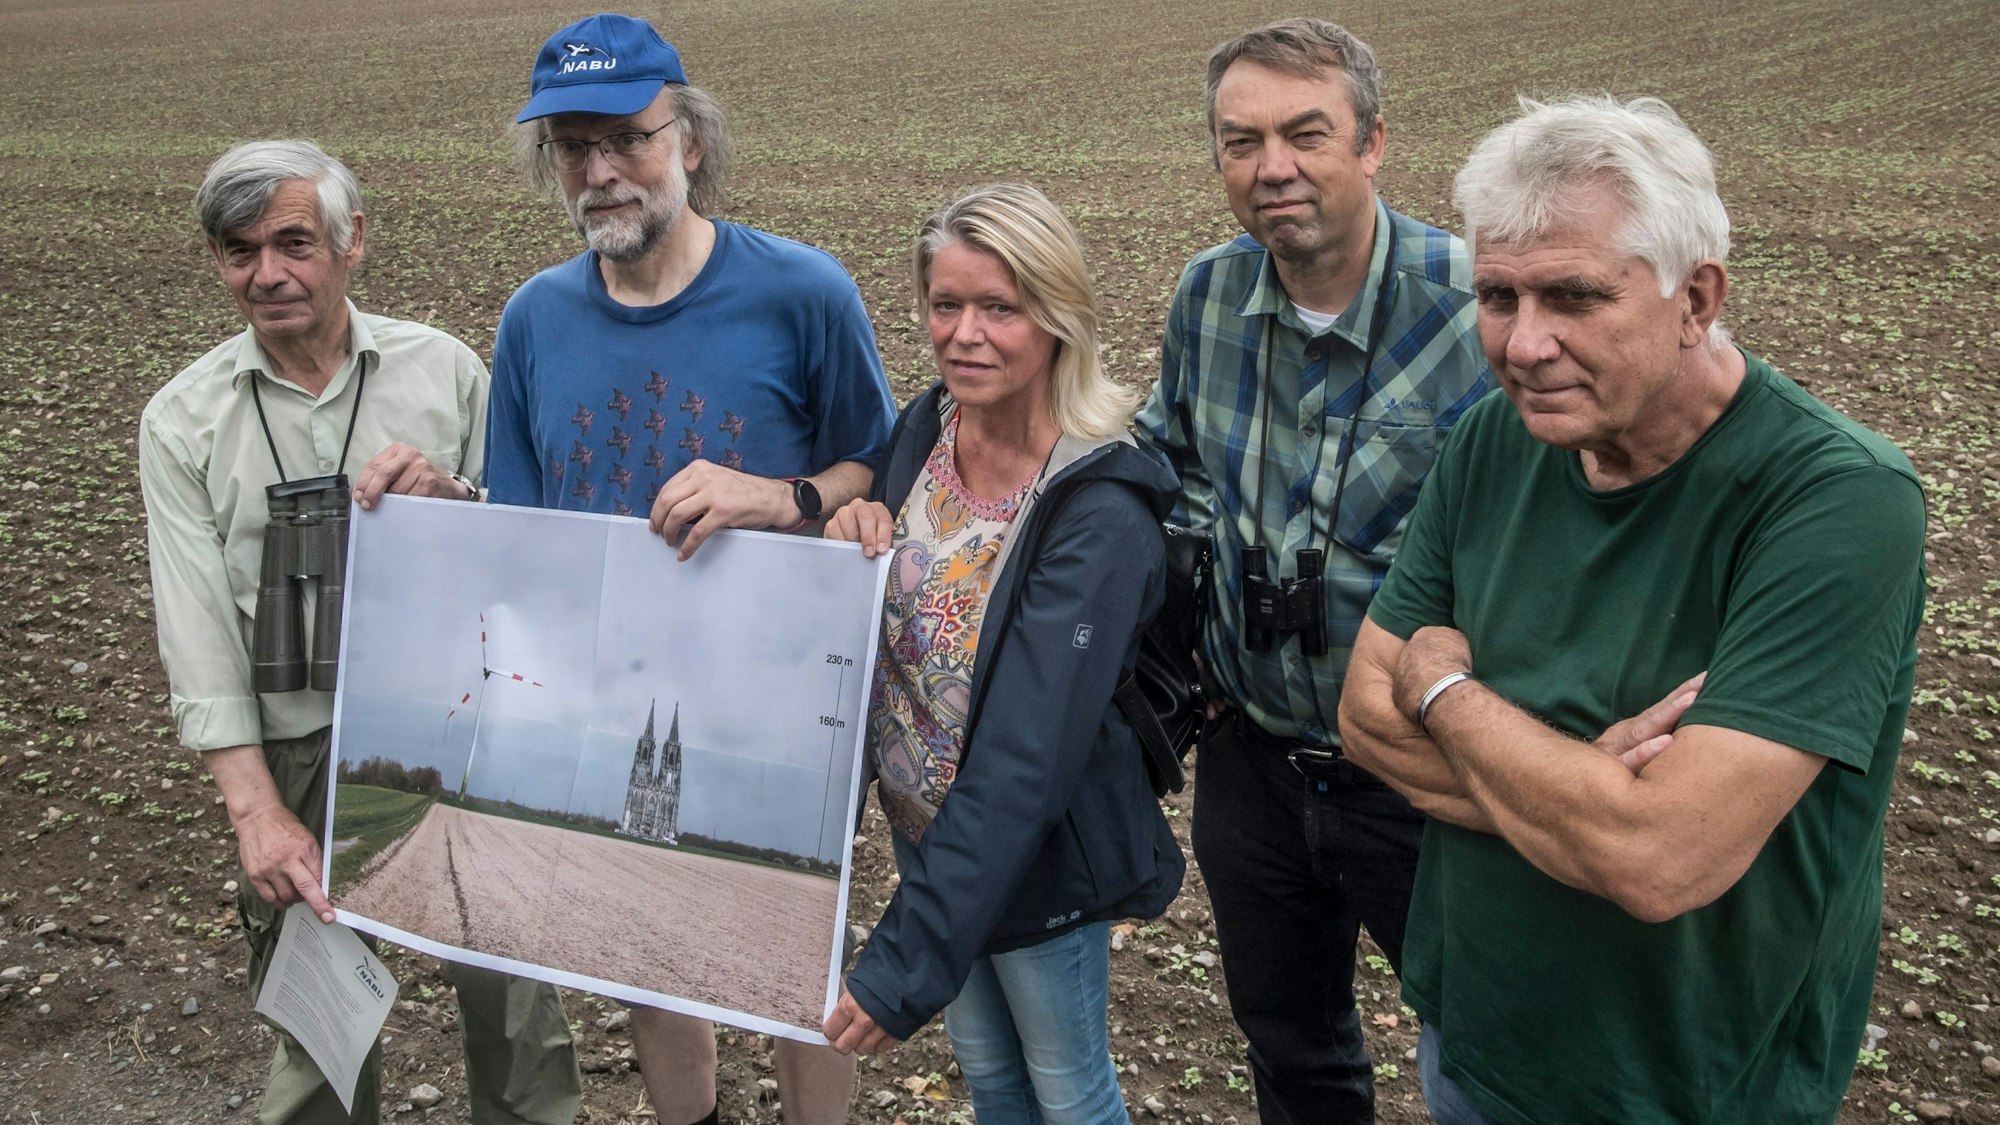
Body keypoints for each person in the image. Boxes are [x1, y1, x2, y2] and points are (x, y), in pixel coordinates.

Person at [1337, 95, 1927, 1124]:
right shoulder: (1490, 444)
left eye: (1572, 296)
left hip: (1684, 1081)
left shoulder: (1833, 500)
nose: (1523, 346)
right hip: (1474, 1039)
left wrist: (1442, 688)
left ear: (1694, 298)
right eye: (1497, 297)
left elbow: (1657, 861)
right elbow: (1358, 720)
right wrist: (1579, 803)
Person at [492, 14, 895, 1125]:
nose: (602, 169)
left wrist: (783, 498)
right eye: (574, 147)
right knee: (644, 949)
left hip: (775, 697)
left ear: (690, 142)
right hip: (603, 695)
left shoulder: (801, 291)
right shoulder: (532, 320)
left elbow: (883, 464)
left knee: (794, 954)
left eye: (627, 136)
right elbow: (519, 523)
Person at [138, 140, 580, 1125]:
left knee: (511, 1002)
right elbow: (199, 631)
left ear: (352, 242)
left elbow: (528, 552)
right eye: (238, 249)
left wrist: (456, 495)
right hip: (297, 746)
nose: (267, 274)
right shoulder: (184, 420)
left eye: (292, 242)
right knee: (318, 1023)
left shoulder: (446, 372)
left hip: (457, 735)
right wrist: (256, 812)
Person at [1132, 19, 1490, 1124]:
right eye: (1240, 143)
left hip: (1425, 778)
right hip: (1253, 758)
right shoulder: (1206, 297)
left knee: (1481, 1051)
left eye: (1303, 134)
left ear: (1373, 143)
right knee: (1289, 1046)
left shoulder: (1478, 305)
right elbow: (1170, 460)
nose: (1270, 168)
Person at [819, 183, 1186, 1125]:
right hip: (931, 840)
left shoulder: (1097, 510)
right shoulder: (928, 427)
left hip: (1035, 858)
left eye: (1000, 307)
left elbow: (1026, 756)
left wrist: (907, 957)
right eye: (947, 304)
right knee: (990, 1076)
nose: (966, 333)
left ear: (1058, 317)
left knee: (1069, 1092)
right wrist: (859, 531)